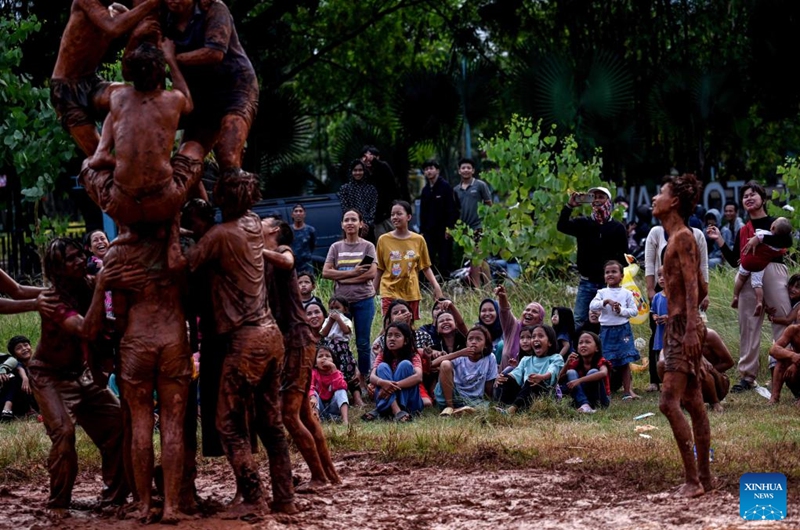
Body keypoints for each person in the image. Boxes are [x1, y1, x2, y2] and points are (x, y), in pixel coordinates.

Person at [185, 174, 296, 516]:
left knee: (228, 423)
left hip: (245, 340)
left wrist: (172, 238)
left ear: (222, 201)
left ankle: (252, 497)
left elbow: (184, 266)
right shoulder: (250, 224)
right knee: (270, 422)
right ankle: (285, 498)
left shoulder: (219, 235)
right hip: (271, 336)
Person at [30, 238, 140, 519]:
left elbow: (110, 315)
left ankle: (114, 497)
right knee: (64, 433)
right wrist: (103, 285)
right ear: (57, 268)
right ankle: (58, 502)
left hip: (82, 374)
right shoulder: (53, 299)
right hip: (49, 377)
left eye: (81, 255)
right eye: (70, 259)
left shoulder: (91, 285)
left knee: (118, 424)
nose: (80, 260)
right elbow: (84, 329)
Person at [80, 40, 204, 271]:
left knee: (87, 165)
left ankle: (127, 228)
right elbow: (188, 102)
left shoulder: (117, 99)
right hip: (165, 202)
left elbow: (98, 158)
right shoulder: (173, 99)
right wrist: (171, 59)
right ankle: (172, 237)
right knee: (194, 148)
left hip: (123, 203)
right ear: (161, 74)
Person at [263, 217, 339, 490]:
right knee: (305, 414)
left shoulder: (284, 252)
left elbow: (287, 261)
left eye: (263, 222)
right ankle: (329, 475)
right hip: (296, 341)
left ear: (274, 231)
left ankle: (319, 477)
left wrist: (255, 249)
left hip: (297, 341)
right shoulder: (267, 261)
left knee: (288, 415)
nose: (258, 223)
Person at [652, 172, 712, 498]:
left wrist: (690, 328)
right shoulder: (676, 238)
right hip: (682, 325)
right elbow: (701, 285)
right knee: (693, 400)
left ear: (673, 201)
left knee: (668, 402)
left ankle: (693, 480)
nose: (654, 198)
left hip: (681, 327)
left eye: (660, 193)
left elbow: (694, 286)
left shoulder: (682, 237)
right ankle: (704, 477)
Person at [707, 181, 792, 393]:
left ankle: (788, 369)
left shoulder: (775, 222)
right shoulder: (743, 229)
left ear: (763, 199)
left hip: (772, 271)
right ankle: (747, 376)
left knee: (783, 318)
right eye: (745, 196)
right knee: (748, 325)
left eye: (753, 194)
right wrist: (719, 241)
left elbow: (787, 241)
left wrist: (760, 238)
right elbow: (736, 260)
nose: (749, 198)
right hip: (748, 277)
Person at [162, 0, 259, 178]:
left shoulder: (215, 8)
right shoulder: (164, 19)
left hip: (235, 89)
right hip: (201, 98)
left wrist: (173, 58)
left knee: (227, 154)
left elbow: (214, 53)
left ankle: (237, 197)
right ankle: (197, 203)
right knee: (185, 162)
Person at [50, 0, 161, 156]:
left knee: (129, 95)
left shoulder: (119, 12)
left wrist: (137, 35)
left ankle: (139, 155)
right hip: (65, 90)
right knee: (99, 159)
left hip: (92, 82)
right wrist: (152, 3)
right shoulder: (84, 3)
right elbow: (113, 27)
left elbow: (136, 40)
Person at [322, 209, 377, 397]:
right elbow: (326, 272)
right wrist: (354, 273)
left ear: (361, 224)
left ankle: (363, 380)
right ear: (342, 224)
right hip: (341, 304)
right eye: (347, 220)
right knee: (337, 340)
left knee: (362, 342)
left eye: (354, 219)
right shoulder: (336, 247)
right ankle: (339, 380)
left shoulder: (368, 247)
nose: (350, 223)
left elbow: (370, 273)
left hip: (364, 300)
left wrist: (343, 278)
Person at [557, 186, 628, 327]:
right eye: (594, 197)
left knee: (609, 320)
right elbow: (562, 226)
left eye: (601, 197)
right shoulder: (583, 223)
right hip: (586, 282)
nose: (597, 200)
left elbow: (624, 257)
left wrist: (615, 275)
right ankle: (577, 347)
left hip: (608, 284)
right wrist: (569, 206)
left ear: (608, 201)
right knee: (579, 319)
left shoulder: (617, 228)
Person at [374, 200, 444, 318]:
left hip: (411, 291)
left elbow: (425, 267)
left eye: (399, 214)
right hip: (389, 290)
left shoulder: (418, 240)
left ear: (409, 217)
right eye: (392, 214)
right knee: (390, 326)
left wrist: (436, 287)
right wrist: (371, 292)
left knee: (409, 329)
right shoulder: (383, 240)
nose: (395, 217)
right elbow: (380, 269)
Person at [589, 260, 640, 400]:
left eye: (614, 272)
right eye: (607, 272)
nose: (610, 274)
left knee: (624, 361)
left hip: (623, 330)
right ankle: (605, 390)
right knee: (606, 361)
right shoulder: (602, 292)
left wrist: (620, 310)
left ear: (622, 276)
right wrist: (605, 302)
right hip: (606, 331)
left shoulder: (627, 293)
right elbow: (593, 305)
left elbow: (634, 311)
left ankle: (628, 390)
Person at [658, 328, 733, 413]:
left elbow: (729, 362)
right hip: (688, 380)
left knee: (699, 369)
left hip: (717, 383)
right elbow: (662, 360)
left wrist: (711, 370)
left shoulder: (709, 335)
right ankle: (679, 399)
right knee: (662, 364)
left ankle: (714, 401)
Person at [363, 322, 424, 422]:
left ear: (406, 341)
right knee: (382, 367)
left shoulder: (413, 355)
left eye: (397, 336)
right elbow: (372, 377)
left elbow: (418, 377)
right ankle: (397, 411)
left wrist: (391, 387)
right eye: (389, 335)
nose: (392, 338)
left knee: (405, 365)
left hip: (410, 402)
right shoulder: (382, 355)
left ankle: (381, 410)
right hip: (389, 398)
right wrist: (382, 383)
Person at [495, 325, 564, 414]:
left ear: (550, 342)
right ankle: (502, 407)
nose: (536, 339)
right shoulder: (526, 360)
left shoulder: (556, 358)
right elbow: (516, 373)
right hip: (525, 395)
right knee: (504, 378)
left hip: (544, 395)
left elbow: (553, 370)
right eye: (533, 336)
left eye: (540, 336)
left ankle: (511, 410)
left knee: (532, 381)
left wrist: (542, 377)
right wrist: (502, 377)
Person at [731, 217, 792, 316]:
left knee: (741, 279)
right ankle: (759, 302)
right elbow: (782, 250)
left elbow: (754, 238)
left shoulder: (763, 233)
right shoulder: (777, 245)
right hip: (759, 266)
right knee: (757, 284)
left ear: (772, 226)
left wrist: (757, 238)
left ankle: (735, 296)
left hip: (747, 261)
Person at [433, 325, 498, 415]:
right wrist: (459, 353)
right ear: (466, 343)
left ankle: (463, 411)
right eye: (470, 339)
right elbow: (433, 364)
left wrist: (489, 401)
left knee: (487, 409)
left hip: (475, 399)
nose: (474, 342)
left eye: (479, 339)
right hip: (454, 395)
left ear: (486, 345)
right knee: (445, 364)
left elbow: (489, 384)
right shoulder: (460, 356)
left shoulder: (490, 358)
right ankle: (450, 407)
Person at [453, 158, 492, 286]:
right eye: (463, 168)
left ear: (473, 170)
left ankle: (487, 286)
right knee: (472, 259)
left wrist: (487, 224)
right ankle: (477, 289)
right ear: (459, 171)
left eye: (468, 168)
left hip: (478, 226)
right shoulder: (456, 190)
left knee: (479, 256)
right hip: (464, 230)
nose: (466, 170)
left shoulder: (480, 185)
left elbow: (489, 204)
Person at [320, 296, 363, 406]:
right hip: (330, 348)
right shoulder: (326, 320)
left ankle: (357, 397)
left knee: (348, 372)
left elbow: (346, 331)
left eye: (337, 308)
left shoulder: (346, 320)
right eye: (331, 308)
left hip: (342, 349)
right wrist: (330, 320)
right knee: (332, 371)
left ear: (345, 309)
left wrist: (338, 319)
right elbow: (323, 333)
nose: (334, 311)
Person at [419, 160, 458, 279]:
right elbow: (422, 213)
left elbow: (452, 209)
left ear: (437, 170)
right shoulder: (425, 190)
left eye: (431, 168)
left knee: (445, 259)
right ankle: (428, 285)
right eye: (426, 169)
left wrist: (450, 228)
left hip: (444, 231)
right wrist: (422, 230)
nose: (429, 171)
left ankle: (445, 285)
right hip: (429, 231)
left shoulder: (445, 187)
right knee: (427, 258)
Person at [559, 331, 612, 413]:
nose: (583, 345)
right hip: (582, 399)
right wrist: (566, 364)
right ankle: (584, 404)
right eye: (580, 343)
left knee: (593, 371)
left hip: (600, 401)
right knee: (571, 372)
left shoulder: (600, 361)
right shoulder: (576, 362)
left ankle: (586, 405)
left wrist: (579, 380)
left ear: (597, 348)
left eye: (587, 342)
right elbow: (558, 379)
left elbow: (603, 373)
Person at [495, 285, 545, 371]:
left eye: (534, 311)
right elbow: (505, 311)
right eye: (527, 310)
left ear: (540, 318)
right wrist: (502, 297)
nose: (529, 313)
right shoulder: (513, 327)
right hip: (504, 379)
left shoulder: (542, 336)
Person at [361, 146, 403, 240]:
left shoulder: (383, 168)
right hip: (376, 219)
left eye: (371, 155)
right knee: (383, 245)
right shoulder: (363, 175)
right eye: (365, 156)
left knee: (398, 242)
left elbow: (393, 188)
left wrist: (374, 161)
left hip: (389, 215)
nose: (368, 158)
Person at [309, 345, 349, 425]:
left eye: (328, 356)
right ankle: (316, 419)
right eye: (320, 356)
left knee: (341, 391)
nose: (324, 358)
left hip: (333, 408)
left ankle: (345, 420)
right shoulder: (313, 373)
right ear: (315, 363)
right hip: (319, 407)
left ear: (333, 361)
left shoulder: (337, 373)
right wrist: (312, 397)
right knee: (313, 394)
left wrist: (334, 370)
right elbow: (309, 386)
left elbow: (342, 386)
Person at [0, 336, 38, 421]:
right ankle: (8, 408)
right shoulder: (13, 366)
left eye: (26, 345)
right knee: (14, 375)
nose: (24, 349)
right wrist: (24, 378)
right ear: (14, 354)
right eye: (19, 348)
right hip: (17, 400)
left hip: (36, 400)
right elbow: (17, 365)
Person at [337, 159, 378, 234]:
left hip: (369, 229)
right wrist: (357, 224)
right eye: (355, 170)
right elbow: (345, 209)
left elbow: (373, 208)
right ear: (351, 172)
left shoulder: (371, 189)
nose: (357, 173)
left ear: (364, 171)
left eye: (360, 170)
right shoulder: (345, 189)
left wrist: (367, 224)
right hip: (351, 227)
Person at [769, 324, 800, 406]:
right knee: (783, 359)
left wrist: (796, 364)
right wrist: (792, 356)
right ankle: (774, 397)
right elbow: (773, 349)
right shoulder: (793, 329)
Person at [649, 267, 668, 392]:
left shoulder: (677, 296)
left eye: (665, 275)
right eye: (659, 275)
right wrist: (655, 316)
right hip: (660, 334)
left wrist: (669, 318)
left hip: (672, 334)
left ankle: (670, 383)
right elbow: (653, 311)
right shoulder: (657, 297)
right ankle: (661, 382)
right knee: (659, 359)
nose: (661, 278)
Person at [290, 204, 316, 275]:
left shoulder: (310, 230)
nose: (298, 213)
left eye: (300, 211)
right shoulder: (288, 230)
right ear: (292, 214)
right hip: (293, 265)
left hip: (306, 265)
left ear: (304, 214)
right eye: (296, 211)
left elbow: (312, 245)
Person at [478, 298, 504, 364]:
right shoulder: (477, 329)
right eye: (483, 311)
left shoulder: (504, 329)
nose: (487, 313)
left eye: (491, 310)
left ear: (498, 312)